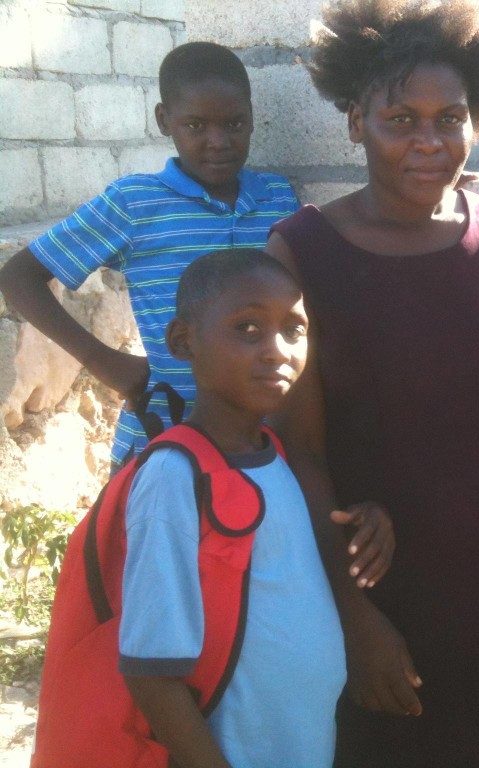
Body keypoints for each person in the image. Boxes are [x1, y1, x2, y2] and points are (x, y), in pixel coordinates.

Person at [264, 1, 479, 765]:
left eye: (449, 119)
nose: (428, 142)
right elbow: (300, 450)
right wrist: (353, 618)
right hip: (378, 589)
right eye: (400, 119)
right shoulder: (300, 254)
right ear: (356, 121)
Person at [0, 42, 300, 473]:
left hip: (264, 444)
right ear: (164, 121)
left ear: (253, 118)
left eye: (234, 123)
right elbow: (19, 276)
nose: (218, 142)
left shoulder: (277, 197)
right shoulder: (136, 202)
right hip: (164, 440)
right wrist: (105, 362)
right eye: (196, 125)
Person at [119, 249, 344, 767]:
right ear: (183, 342)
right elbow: (150, 672)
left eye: (294, 330)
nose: (276, 350)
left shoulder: (273, 454)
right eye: (247, 328)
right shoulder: (176, 476)